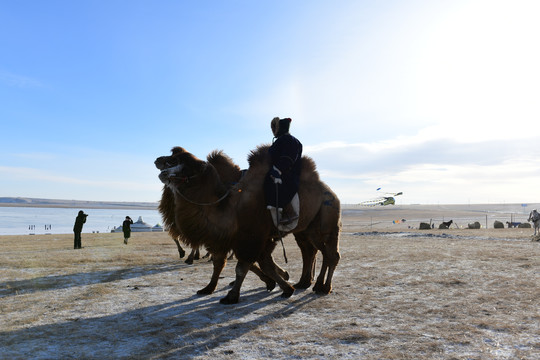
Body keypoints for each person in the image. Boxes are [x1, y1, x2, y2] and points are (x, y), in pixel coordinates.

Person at [264, 117, 303, 224]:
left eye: (275, 128)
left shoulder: (290, 140)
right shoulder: (280, 140)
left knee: (277, 186)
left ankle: (289, 212)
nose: (273, 131)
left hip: (287, 174)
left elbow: (288, 158)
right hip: (277, 171)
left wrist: (277, 170)